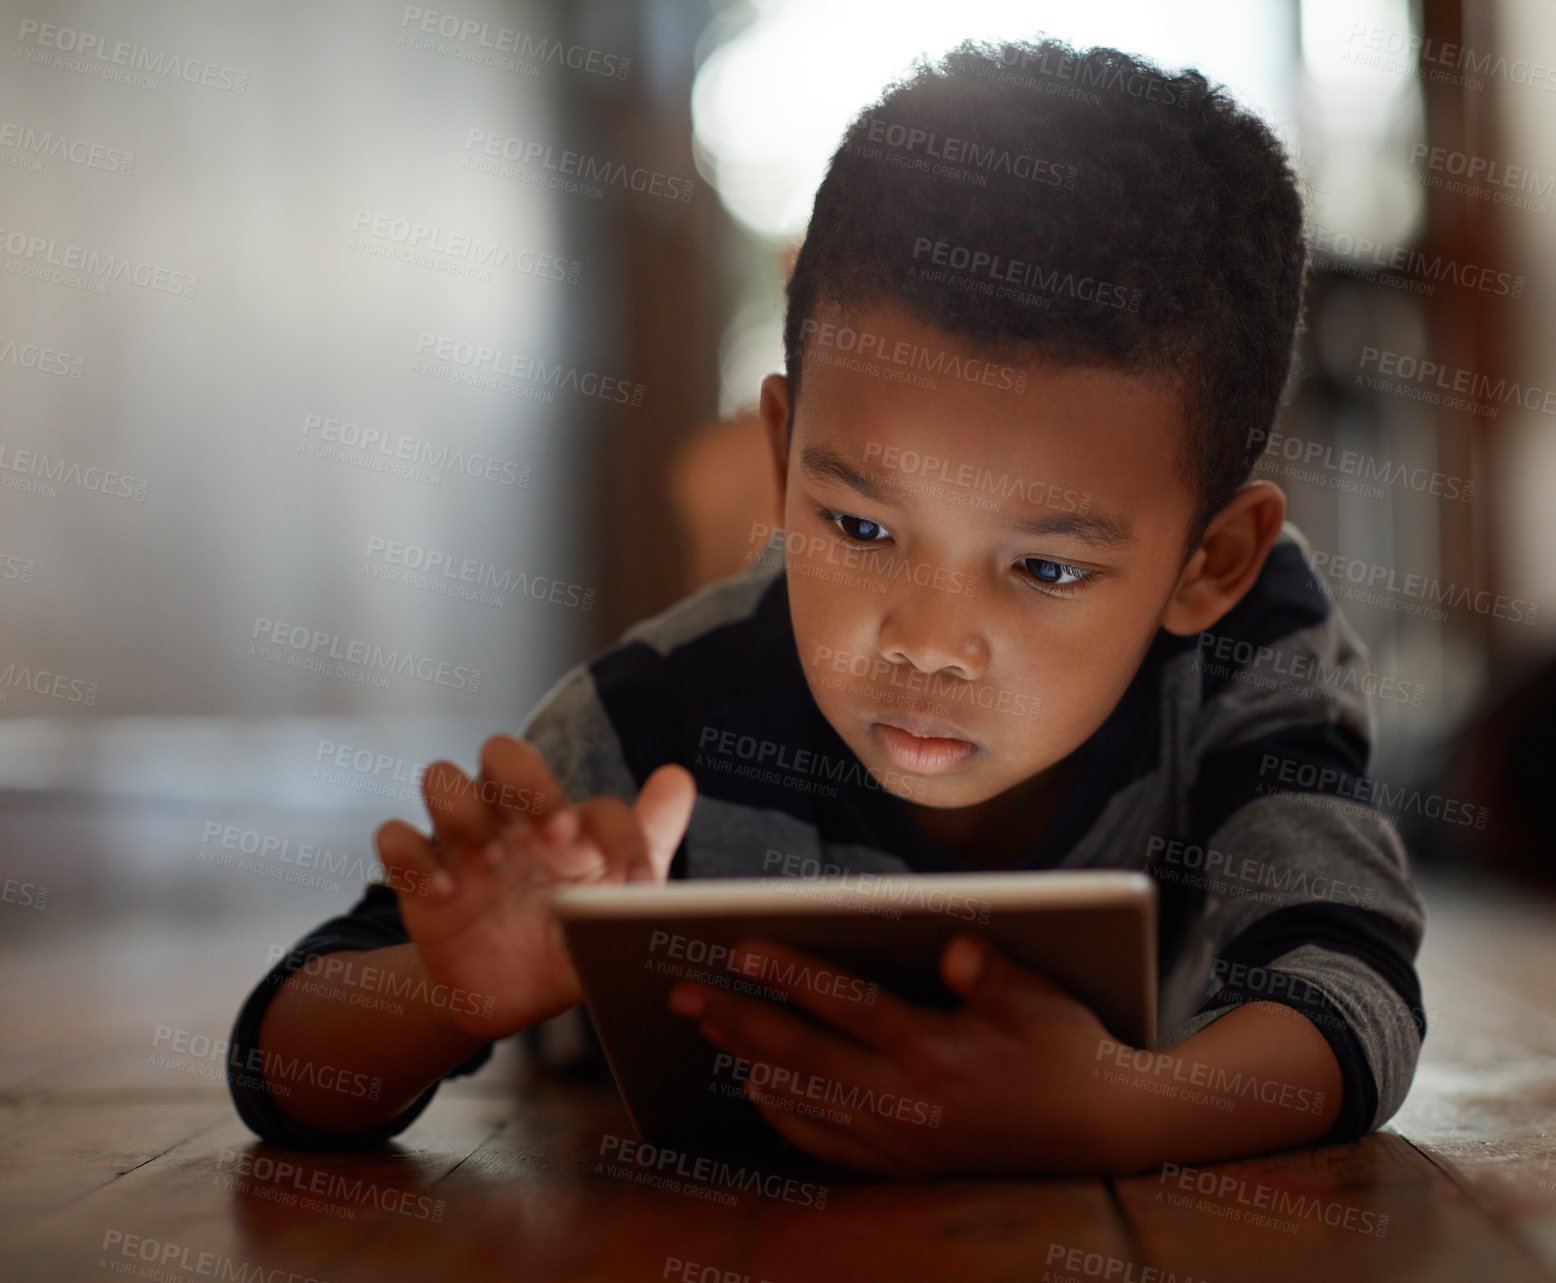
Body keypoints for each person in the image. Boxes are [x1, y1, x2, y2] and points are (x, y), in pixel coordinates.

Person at [228, 38, 1426, 1177]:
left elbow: (1347, 983)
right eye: (860, 527)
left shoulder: (1245, 649)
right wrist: (447, 995)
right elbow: (282, 1064)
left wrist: (1110, 1111)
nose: (925, 642)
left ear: (1207, 561)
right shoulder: (655, 725)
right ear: (784, 451)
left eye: (1046, 569)